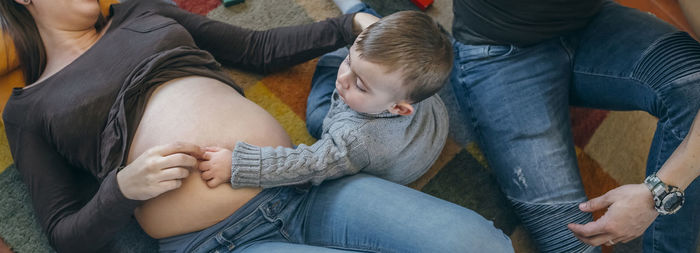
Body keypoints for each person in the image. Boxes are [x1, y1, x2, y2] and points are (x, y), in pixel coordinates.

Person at [0, 0, 514, 252]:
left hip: (305, 184)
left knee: (480, 243)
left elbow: (256, 49)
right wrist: (122, 189)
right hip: (218, 242)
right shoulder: (27, 109)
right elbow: (64, 235)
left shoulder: (141, 10)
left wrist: (350, 26)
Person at [449, 0, 700, 252]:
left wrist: (660, 191)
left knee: (694, 87)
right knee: (578, 244)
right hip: (498, 52)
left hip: (590, 23)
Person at [197, 10, 452, 189]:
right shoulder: (409, 86)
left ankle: (341, 57)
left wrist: (238, 165)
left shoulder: (354, 139)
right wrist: (360, 70)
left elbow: (305, 166)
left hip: (383, 166)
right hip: (423, 136)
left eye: (360, 85)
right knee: (375, 62)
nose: (343, 78)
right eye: (349, 62)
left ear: (398, 108)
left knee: (320, 104)